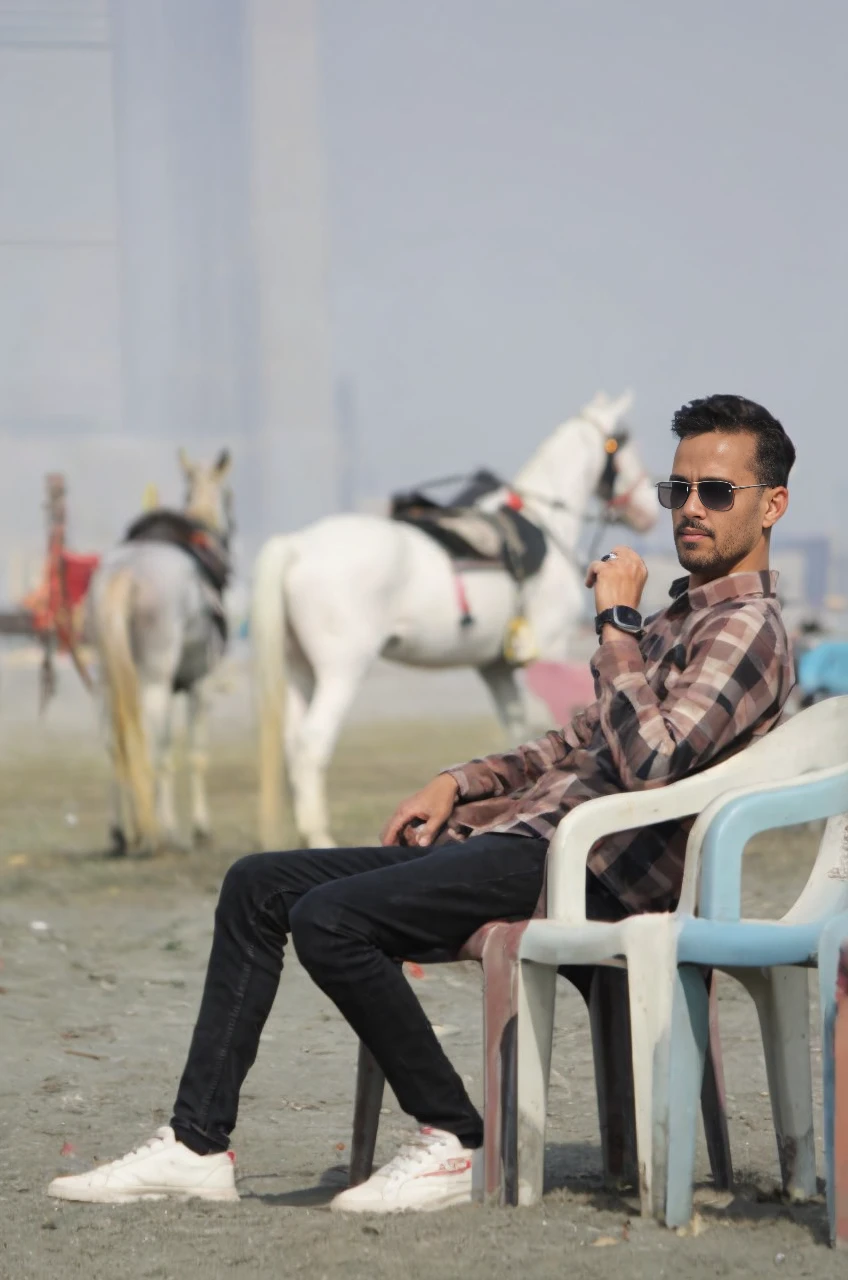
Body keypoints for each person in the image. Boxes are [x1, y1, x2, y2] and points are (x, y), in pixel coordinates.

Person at [48, 394, 796, 1213]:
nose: (689, 509)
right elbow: (571, 743)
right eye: (677, 490)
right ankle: (197, 1145)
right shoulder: (673, 623)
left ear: (771, 506)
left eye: (715, 493)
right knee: (256, 884)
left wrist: (615, 622)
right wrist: (459, 782)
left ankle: (455, 1137)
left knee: (329, 919)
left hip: (589, 868)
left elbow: (651, 762)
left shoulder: (746, 627)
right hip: (523, 841)